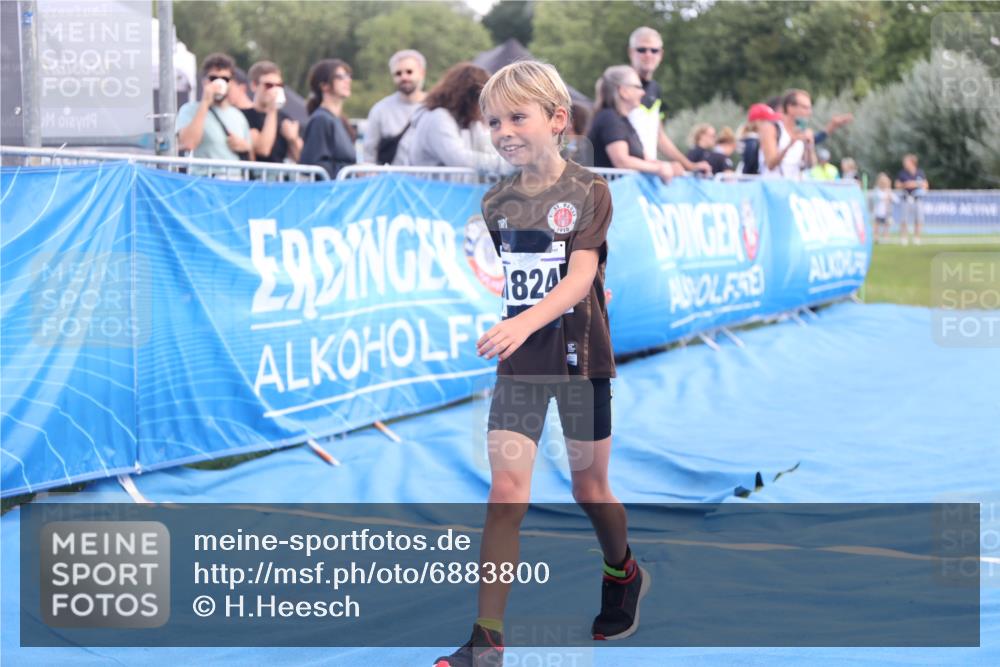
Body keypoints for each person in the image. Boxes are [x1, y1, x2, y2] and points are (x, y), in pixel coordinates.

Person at [433, 60, 648, 667]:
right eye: (493, 120)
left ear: (558, 120)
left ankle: (622, 570)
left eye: (517, 117)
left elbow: (580, 279)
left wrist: (522, 322)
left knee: (589, 487)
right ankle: (487, 639)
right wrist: (521, 331)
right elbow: (521, 282)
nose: (502, 130)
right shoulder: (495, 201)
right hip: (522, 365)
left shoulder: (590, 192)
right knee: (505, 494)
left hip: (583, 364)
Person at [626, 26, 710, 175]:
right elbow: (615, 135)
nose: (648, 55)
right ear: (631, 52)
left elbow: (659, 136)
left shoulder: (655, 88)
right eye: (641, 50)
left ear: (661, 54)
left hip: (647, 175)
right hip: (623, 175)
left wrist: (689, 165)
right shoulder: (620, 85)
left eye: (654, 50)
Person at [394, 63, 507, 172]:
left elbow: (485, 149)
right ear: (469, 98)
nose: (484, 107)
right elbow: (458, 158)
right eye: (481, 99)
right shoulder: (438, 118)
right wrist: (506, 166)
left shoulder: (468, 121)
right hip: (429, 189)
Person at [585, 65, 674, 182]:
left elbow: (645, 159)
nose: (643, 93)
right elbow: (622, 160)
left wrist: (669, 167)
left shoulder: (622, 120)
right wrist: (659, 168)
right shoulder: (609, 118)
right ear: (623, 91)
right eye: (638, 87)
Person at [176, 52, 253, 176]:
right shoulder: (189, 109)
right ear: (204, 81)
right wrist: (205, 102)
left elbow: (252, 159)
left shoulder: (239, 116)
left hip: (234, 185)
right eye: (213, 78)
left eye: (225, 79)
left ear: (231, 83)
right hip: (205, 183)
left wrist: (245, 147)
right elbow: (188, 143)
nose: (219, 82)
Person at [363, 49, 427, 164]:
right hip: (391, 179)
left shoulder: (435, 108)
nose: (404, 77)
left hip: (427, 180)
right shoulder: (380, 110)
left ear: (422, 73)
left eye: (409, 72)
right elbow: (369, 152)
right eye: (398, 73)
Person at [300, 58, 357, 179]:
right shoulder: (321, 120)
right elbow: (316, 168)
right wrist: (351, 171)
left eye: (348, 76)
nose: (347, 80)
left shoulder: (340, 120)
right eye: (340, 77)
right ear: (324, 86)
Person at [242, 61, 303, 165]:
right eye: (269, 85)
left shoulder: (285, 119)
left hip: (280, 179)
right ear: (254, 86)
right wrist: (272, 109)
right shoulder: (244, 116)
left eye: (279, 85)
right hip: (254, 179)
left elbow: (303, 159)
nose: (275, 90)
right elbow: (263, 150)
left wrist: (293, 139)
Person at [759, 88, 816, 179]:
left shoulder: (803, 131)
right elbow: (770, 164)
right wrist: (790, 143)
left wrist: (810, 147)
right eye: (805, 107)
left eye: (809, 108)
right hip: (771, 187)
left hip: (794, 188)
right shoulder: (771, 128)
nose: (809, 112)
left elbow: (810, 166)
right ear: (790, 108)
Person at [737, 103, 781, 175]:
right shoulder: (752, 142)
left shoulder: (751, 140)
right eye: (769, 121)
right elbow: (749, 169)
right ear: (758, 122)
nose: (772, 124)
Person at [894, 153, 929, 245]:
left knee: (918, 219)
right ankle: (904, 238)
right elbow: (897, 185)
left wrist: (914, 184)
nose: (904, 164)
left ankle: (917, 238)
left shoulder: (920, 172)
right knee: (904, 219)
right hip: (906, 198)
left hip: (917, 199)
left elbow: (925, 185)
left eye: (906, 162)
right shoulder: (902, 173)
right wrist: (906, 184)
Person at [871, 172, 898, 244]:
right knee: (876, 225)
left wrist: (889, 196)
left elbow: (896, 199)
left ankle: (886, 237)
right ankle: (875, 237)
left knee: (886, 225)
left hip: (887, 212)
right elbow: (877, 198)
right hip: (878, 211)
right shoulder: (877, 191)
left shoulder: (889, 191)